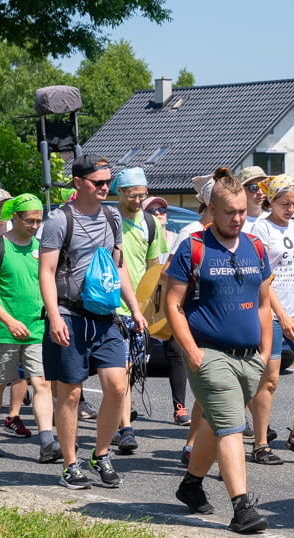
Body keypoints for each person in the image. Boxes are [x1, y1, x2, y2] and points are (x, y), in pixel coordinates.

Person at [165, 167, 272, 534]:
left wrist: (265, 348)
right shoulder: (193, 247)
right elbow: (173, 305)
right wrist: (192, 352)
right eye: (230, 212)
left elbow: (263, 301)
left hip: (249, 358)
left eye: (242, 211)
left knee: (216, 423)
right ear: (212, 208)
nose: (238, 218)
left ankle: (191, 485)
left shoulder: (255, 246)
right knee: (232, 428)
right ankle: (242, 508)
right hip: (210, 355)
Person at [39, 154, 149, 489]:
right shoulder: (60, 220)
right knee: (70, 395)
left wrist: (135, 309)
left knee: (117, 387)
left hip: (106, 317)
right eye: (98, 182)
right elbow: (45, 271)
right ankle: (71, 465)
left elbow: (119, 269)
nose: (105, 188)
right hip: (70, 316)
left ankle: (100, 455)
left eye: (107, 182)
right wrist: (54, 315)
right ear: (78, 183)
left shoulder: (113, 217)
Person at [250, 174, 294, 465]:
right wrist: (279, 313)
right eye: (284, 203)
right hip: (269, 312)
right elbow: (262, 278)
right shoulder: (260, 230)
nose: (290, 209)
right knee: (269, 379)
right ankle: (260, 444)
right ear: (271, 201)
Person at [0, 194, 59, 461]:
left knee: (42, 383)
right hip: (2, 330)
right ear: (14, 217)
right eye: (29, 220)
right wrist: (10, 321)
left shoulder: (43, 248)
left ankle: (47, 442)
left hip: (37, 329)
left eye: (39, 221)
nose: (34, 225)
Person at [110, 168, 168, 453]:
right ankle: (121, 427)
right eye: (132, 195)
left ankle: (121, 426)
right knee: (117, 371)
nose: (137, 200)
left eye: (141, 195)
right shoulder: (108, 219)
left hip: (135, 309)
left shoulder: (150, 223)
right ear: (118, 192)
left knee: (127, 370)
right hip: (107, 306)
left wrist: (149, 309)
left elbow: (154, 269)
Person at [166, 175, 215, 465]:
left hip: (219, 321)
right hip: (195, 320)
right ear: (212, 205)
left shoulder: (228, 234)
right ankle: (199, 448)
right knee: (210, 391)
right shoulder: (191, 233)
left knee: (207, 394)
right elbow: (169, 273)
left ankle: (194, 444)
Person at [0, 185, 32, 439]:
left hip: (22, 317)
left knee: (21, 372)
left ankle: (13, 415)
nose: (3, 210)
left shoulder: (22, 237)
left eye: (7, 205)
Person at [139, 195, 191, 427]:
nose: (159, 214)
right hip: (146, 303)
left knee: (175, 353)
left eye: (162, 210)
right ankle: (126, 402)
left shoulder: (176, 238)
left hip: (170, 304)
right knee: (139, 354)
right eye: (153, 211)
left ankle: (179, 407)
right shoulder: (142, 238)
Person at [237, 166, 270, 234]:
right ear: (241, 190)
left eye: (264, 186)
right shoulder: (235, 222)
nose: (260, 192)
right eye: (254, 187)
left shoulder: (273, 219)